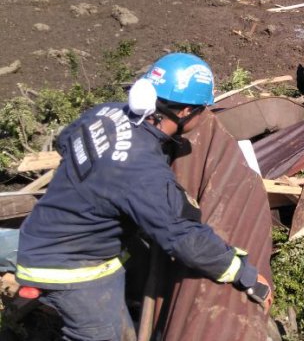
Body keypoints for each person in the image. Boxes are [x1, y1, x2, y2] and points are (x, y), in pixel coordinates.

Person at [16, 53, 271, 341]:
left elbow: (66, 142)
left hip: (47, 231)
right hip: (74, 270)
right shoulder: (143, 172)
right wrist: (243, 273)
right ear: (185, 111)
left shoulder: (106, 113)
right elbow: (184, 237)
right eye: (201, 110)